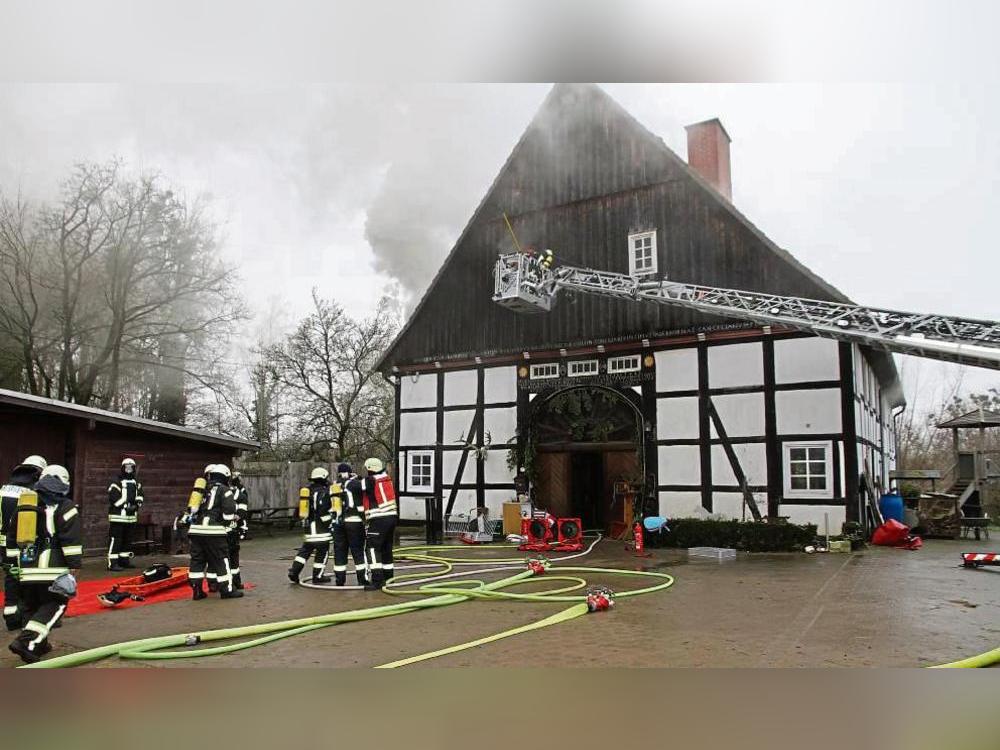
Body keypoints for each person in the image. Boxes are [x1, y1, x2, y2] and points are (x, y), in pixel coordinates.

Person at [6, 464, 82, 664]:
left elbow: (12, 538)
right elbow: (70, 539)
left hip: (27, 568)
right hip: (52, 569)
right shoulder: (66, 506)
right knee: (56, 604)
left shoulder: (25, 505)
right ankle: (26, 642)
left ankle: (39, 645)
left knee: (32, 607)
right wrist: (74, 565)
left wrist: (13, 565)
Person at [1, 455, 47, 631]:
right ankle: (24, 616)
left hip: (3, 545)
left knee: (10, 576)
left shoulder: (3, 490)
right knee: (24, 577)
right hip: (23, 545)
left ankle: (10, 614)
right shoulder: (32, 495)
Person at [186, 464, 243, 600]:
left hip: (196, 531)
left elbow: (192, 509)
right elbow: (228, 513)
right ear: (225, 477)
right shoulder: (225, 490)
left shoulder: (202, 489)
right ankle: (227, 590)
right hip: (214, 532)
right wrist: (226, 523)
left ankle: (197, 591)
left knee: (197, 560)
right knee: (221, 559)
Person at [288, 467, 334, 584]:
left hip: (308, 528)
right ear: (324, 478)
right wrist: (331, 524)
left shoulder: (307, 491)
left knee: (304, 551)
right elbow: (324, 511)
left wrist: (293, 520)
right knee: (322, 553)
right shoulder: (325, 492)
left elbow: (299, 509)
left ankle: (294, 571)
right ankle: (317, 576)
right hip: (321, 530)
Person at [359, 457, 397, 590]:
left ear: (370, 469)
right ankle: (389, 578)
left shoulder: (371, 480)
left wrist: (348, 479)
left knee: (372, 548)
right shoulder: (386, 479)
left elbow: (357, 486)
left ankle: (377, 580)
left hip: (378, 519)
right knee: (386, 549)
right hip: (391, 518)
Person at [331, 463, 367, 587]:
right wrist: (358, 478)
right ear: (350, 472)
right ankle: (362, 579)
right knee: (358, 551)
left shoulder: (335, 485)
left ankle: (339, 579)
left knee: (340, 551)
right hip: (354, 521)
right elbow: (366, 488)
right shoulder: (354, 484)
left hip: (338, 523)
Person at [107, 457, 143, 571]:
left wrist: (137, 505)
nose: (129, 469)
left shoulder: (137, 483)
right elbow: (114, 497)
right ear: (122, 468)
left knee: (127, 540)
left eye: (131, 467)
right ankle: (112, 563)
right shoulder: (116, 482)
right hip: (118, 517)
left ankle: (124, 561)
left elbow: (140, 495)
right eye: (126, 467)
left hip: (131, 517)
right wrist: (126, 506)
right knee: (116, 539)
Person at [228, 471, 249, 590]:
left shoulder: (217, 492)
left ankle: (215, 584)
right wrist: (242, 528)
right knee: (233, 558)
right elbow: (242, 513)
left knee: (220, 558)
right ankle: (235, 582)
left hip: (222, 531)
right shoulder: (240, 494)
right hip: (232, 530)